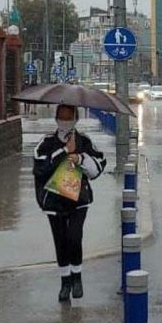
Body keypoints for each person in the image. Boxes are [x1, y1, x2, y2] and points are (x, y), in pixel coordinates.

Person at [33, 105, 107, 302]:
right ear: (56, 118)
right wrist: (65, 151)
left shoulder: (84, 141)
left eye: (69, 117)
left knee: (74, 238)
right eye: (62, 117)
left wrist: (80, 157)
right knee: (61, 240)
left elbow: (99, 166)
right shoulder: (46, 143)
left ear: (76, 118)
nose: (65, 121)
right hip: (54, 201)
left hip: (78, 201)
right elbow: (41, 169)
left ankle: (77, 277)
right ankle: (65, 281)